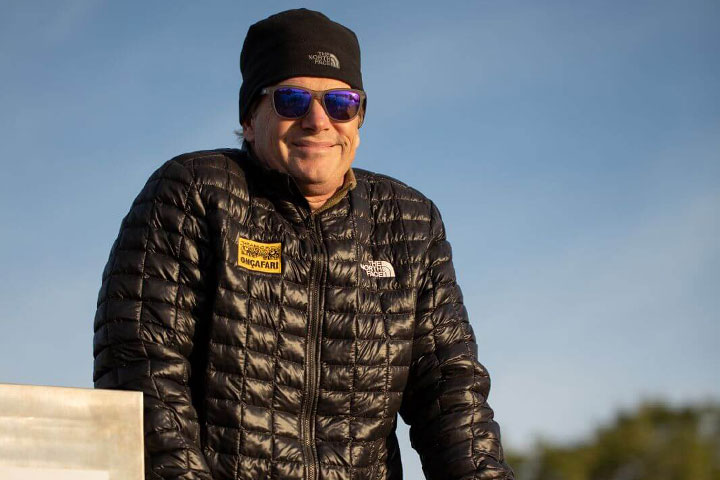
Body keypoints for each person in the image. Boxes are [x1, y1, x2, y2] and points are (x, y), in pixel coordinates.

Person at [93, 8, 514, 480]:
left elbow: (452, 397)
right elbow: (142, 371)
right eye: (292, 100)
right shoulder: (192, 192)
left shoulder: (410, 220)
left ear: (358, 119)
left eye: (341, 103)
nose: (318, 120)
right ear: (250, 119)